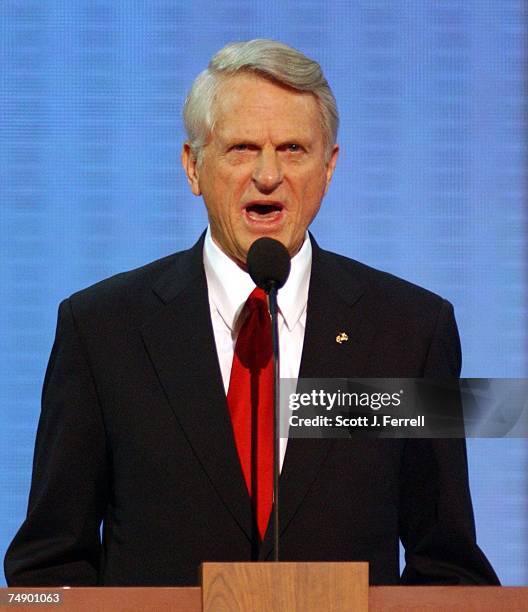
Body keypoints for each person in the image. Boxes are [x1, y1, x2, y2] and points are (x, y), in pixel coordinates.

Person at [4, 39, 499, 587]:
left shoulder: (410, 332)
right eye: (241, 148)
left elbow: (449, 566)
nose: (268, 175)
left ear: (329, 167)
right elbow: (48, 567)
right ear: (193, 167)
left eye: (292, 149)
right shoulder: (101, 330)